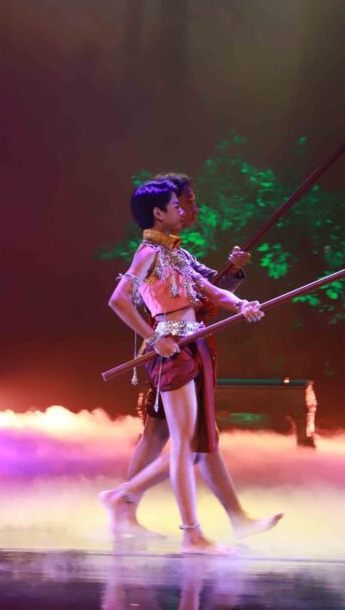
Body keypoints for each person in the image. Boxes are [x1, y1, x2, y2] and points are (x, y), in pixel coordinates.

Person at [100, 180, 268, 555]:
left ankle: (130, 502)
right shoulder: (148, 253)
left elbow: (212, 290)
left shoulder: (177, 254)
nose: (182, 211)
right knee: (185, 446)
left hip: (192, 345)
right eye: (176, 206)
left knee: (189, 444)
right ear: (158, 213)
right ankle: (189, 534)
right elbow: (118, 299)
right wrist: (153, 336)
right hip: (172, 351)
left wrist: (242, 305)